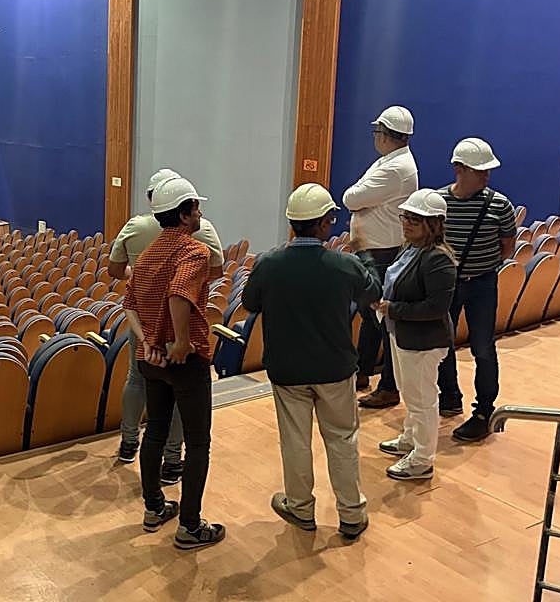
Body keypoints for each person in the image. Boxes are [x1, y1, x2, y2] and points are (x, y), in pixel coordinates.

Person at [242, 183, 380, 540]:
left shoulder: (268, 264)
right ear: (322, 223)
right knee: (342, 439)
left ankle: (300, 507)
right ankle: (351, 513)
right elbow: (373, 293)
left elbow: (250, 303)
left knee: (295, 441)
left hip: (287, 369)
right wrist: (365, 255)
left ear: (292, 223)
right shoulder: (344, 264)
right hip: (335, 367)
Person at [122, 176, 226, 551]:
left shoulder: (147, 254)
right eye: (196, 208)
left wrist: (148, 340)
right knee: (197, 444)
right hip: (185, 359)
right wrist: (181, 341)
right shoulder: (194, 251)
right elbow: (179, 294)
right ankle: (190, 526)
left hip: (151, 358)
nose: (200, 214)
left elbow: (129, 305)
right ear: (183, 215)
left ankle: (154, 508)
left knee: (155, 432)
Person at [437, 138, 517, 443]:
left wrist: (481, 267)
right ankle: (449, 396)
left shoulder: (500, 205)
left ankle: (484, 411)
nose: (486, 175)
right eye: (479, 170)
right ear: (459, 169)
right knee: (442, 343)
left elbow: (507, 247)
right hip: (448, 283)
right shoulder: (438, 202)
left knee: (483, 347)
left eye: (487, 170)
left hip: (483, 283)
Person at [374, 189, 457, 481]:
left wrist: (392, 308)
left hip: (424, 341)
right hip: (402, 333)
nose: (406, 224)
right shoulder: (410, 249)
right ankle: (410, 438)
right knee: (409, 392)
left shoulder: (438, 260)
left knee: (422, 400)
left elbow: (436, 307)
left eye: (414, 219)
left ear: (432, 224)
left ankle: (422, 459)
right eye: (405, 217)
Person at [343, 105, 418, 410]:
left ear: (386, 135)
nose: (375, 136)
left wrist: (358, 199)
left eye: (377, 131)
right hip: (376, 248)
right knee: (370, 314)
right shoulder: (389, 161)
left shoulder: (394, 168)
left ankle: (388, 386)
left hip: (382, 252)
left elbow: (351, 198)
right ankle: (362, 371)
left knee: (382, 318)